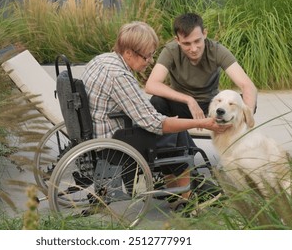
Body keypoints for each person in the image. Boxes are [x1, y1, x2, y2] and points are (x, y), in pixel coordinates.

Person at [81, 21, 229, 209]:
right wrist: (202, 123)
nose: (150, 60)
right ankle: (188, 196)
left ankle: (176, 191)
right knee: (176, 132)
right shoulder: (119, 76)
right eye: (147, 56)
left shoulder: (102, 60)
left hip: (100, 133)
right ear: (128, 53)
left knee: (174, 125)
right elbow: (155, 124)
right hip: (115, 146)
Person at [144, 12, 257, 120]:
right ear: (177, 40)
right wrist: (189, 100)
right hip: (180, 105)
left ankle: (233, 137)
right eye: (186, 43)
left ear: (204, 34)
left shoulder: (217, 50)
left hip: (210, 106)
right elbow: (151, 85)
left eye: (197, 41)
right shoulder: (171, 50)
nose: (193, 49)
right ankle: (169, 139)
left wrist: (248, 116)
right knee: (156, 101)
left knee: (244, 101)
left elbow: (248, 86)